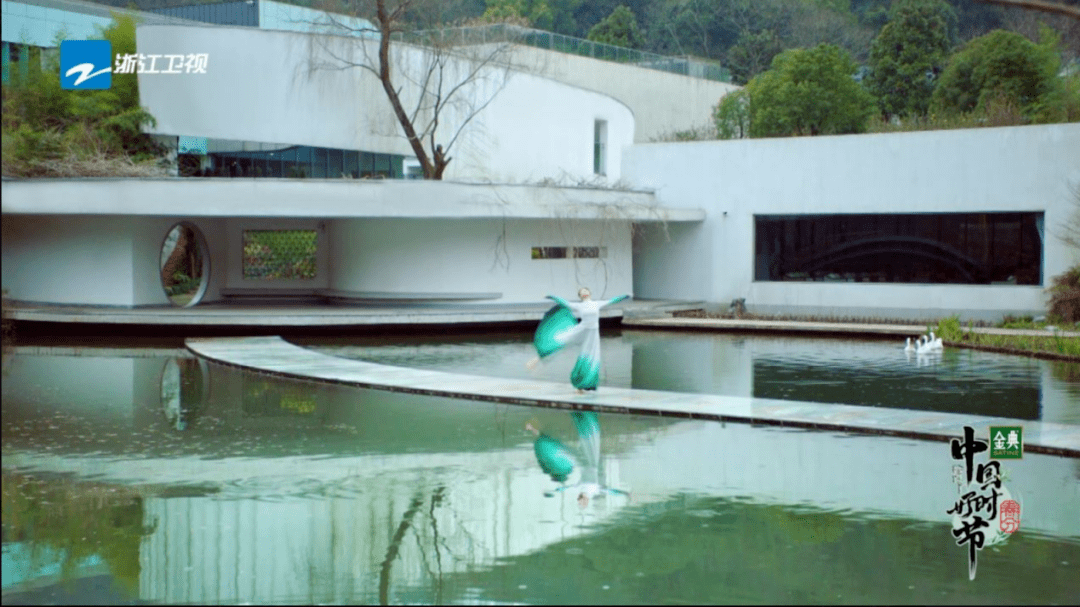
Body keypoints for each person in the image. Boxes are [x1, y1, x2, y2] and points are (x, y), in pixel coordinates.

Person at [527, 287, 629, 392]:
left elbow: (612, 300)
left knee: (592, 358)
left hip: (592, 334)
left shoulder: (597, 303)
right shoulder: (579, 305)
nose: (584, 293)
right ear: (580, 296)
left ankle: (583, 385)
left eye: (585, 291)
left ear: (590, 293)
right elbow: (564, 302)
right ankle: (537, 358)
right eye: (581, 293)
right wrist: (551, 296)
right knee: (561, 339)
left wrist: (625, 296)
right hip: (581, 330)